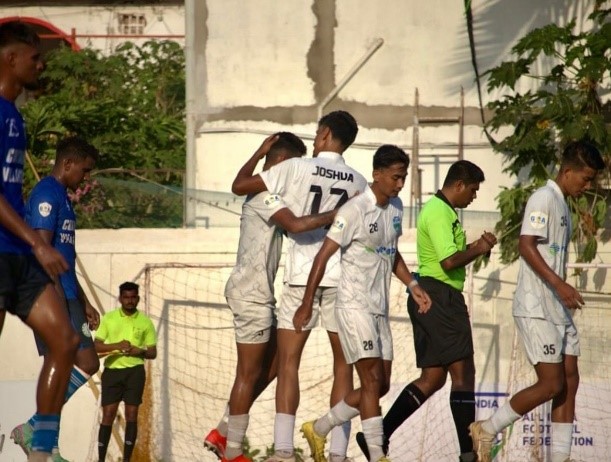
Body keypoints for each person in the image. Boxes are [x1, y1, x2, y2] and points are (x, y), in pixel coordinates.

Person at [232, 111, 369, 462]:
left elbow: (241, 186)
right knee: (344, 366)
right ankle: (338, 453)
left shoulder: (296, 167)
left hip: (300, 276)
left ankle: (282, 450)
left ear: (323, 134)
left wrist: (262, 154)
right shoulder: (359, 182)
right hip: (344, 278)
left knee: (288, 362)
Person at [204, 132, 340, 462]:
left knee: (278, 363)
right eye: (292, 166)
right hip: (250, 295)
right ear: (280, 163)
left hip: (260, 295)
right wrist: (335, 216)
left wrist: (259, 152)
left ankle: (223, 428)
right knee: (247, 374)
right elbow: (294, 224)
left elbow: (240, 182)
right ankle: (231, 449)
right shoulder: (265, 196)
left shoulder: (269, 193)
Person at [470, 141, 605, 462]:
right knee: (551, 383)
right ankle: (487, 429)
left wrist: (561, 289)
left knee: (570, 379)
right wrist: (559, 284)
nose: (587, 187)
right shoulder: (543, 199)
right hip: (536, 309)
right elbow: (526, 244)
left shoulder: (563, 207)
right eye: (585, 179)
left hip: (556, 310)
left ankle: (560, 457)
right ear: (567, 171)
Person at [295, 145, 432, 462]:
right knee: (369, 382)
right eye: (396, 178)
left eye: (403, 177)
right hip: (353, 306)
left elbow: (390, 252)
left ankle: (318, 427)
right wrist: (306, 303)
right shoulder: (353, 211)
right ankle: (376, 453)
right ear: (377, 174)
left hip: (379, 309)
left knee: (380, 385)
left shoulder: (396, 208)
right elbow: (322, 256)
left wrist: (412, 284)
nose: (400, 184)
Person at [357, 160, 497, 462]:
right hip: (440, 296)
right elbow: (448, 262)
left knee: (433, 379)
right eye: (472, 190)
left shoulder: (445, 212)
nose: (473, 197)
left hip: (431, 294)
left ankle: (379, 434)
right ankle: (467, 453)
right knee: (464, 375)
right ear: (458, 185)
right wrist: (479, 248)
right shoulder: (438, 211)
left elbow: (446, 256)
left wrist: (474, 245)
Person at [0, 21, 80, 462]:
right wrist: (39, 241)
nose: (41, 63)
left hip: (18, 251)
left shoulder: (14, 114)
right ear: (10, 59)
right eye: (34, 56)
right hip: (10, 249)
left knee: (65, 342)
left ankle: (40, 450)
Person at [11, 137, 101, 461]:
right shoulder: (46, 194)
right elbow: (41, 248)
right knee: (62, 364)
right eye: (84, 171)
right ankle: (43, 442)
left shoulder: (63, 197)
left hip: (68, 291)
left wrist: (85, 300)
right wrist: (55, 294)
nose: (85, 178)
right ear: (67, 164)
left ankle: (37, 432)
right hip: (52, 292)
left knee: (86, 363)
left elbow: (64, 255)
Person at [95, 282, 157, 462]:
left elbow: (152, 352)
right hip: (113, 371)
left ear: (137, 298)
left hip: (135, 372)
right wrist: (117, 346)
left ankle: (127, 459)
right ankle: (101, 459)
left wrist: (141, 352)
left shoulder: (145, 322)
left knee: (132, 415)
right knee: (108, 414)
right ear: (120, 298)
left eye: (133, 297)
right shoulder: (109, 318)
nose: (130, 301)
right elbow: (96, 346)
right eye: (126, 297)